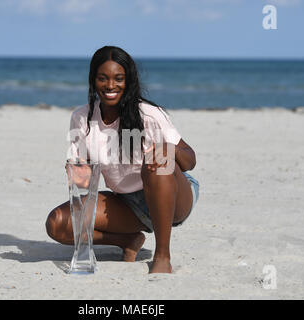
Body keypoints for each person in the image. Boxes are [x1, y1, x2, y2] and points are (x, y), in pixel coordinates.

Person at [46, 46, 199, 274]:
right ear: (93, 80)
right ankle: (127, 240)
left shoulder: (149, 114)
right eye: (103, 78)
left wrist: (169, 149)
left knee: (156, 161)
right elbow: (85, 178)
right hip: (126, 203)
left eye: (118, 79)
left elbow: (190, 160)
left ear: (128, 81)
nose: (110, 86)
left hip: (173, 195)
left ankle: (162, 255)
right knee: (58, 224)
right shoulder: (81, 118)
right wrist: (78, 172)